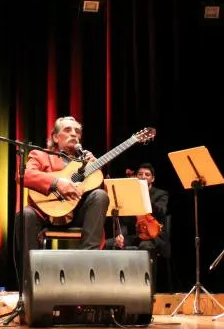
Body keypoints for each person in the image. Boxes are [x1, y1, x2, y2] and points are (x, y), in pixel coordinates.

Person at [16, 115, 109, 263]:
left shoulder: (86, 162)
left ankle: (87, 262)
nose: (74, 133)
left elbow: (98, 198)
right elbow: (25, 175)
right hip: (45, 214)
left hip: (77, 213)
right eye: (68, 130)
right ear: (55, 137)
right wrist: (56, 182)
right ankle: (30, 275)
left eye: (77, 131)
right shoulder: (40, 155)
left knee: (100, 196)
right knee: (25, 214)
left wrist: (96, 168)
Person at [105, 163, 172, 291]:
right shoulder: (130, 195)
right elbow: (124, 219)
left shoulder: (161, 194)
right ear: (135, 176)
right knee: (107, 244)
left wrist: (143, 194)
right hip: (135, 235)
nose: (143, 177)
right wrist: (120, 235)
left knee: (145, 247)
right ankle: (116, 289)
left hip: (153, 236)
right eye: (140, 174)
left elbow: (161, 211)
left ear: (152, 179)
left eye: (147, 175)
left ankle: (146, 290)